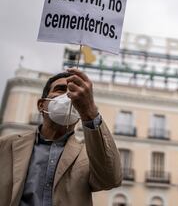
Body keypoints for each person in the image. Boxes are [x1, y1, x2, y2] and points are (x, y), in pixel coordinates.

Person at [0, 68, 122, 206]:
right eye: (60, 89)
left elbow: (111, 179)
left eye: (74, 92)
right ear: (41, 105)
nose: (69, 96)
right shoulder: (5, 146)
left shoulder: (88, 155)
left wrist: (89, 112)